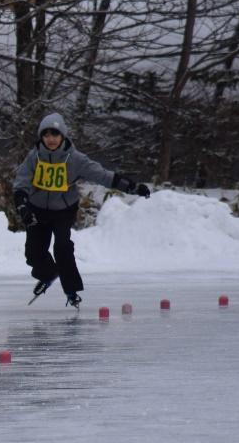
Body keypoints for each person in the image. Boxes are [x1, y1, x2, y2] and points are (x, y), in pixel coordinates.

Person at [12, 112, 150, 308]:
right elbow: (20, 184)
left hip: (63, 210)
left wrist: (132, 187)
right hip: (37, 209)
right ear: (41, 137)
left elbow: (102, 175)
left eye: (55, 134)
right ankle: (48, 274)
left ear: (63, 136)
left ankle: (71, 289)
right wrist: (23, 206)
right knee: (33, 253)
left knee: (62, 247)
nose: (51, 139)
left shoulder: (74, 159)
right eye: (46, 135)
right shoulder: (34, 157)